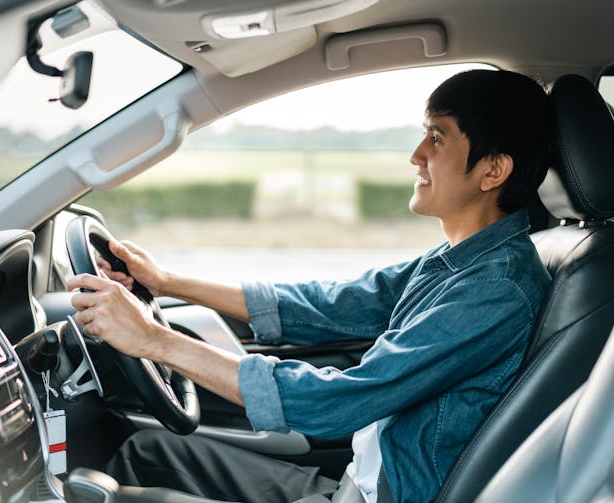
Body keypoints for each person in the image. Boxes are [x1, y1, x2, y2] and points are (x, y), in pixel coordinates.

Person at [67, 69, 554, 503]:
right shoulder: (462, 261)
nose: (416, 155)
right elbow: (328, 306)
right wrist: (169, 282)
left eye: (437, 138)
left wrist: (152, 339)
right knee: (146, 450)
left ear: (493, 170)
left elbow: (339, 402)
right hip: (354, 485)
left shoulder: (494, 288)